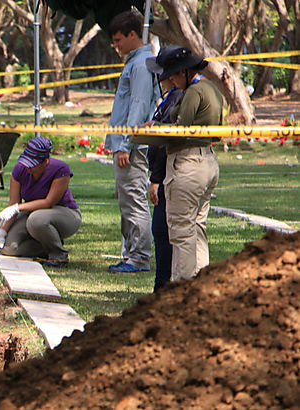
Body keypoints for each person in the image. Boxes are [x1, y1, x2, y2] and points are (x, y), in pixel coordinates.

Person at [154, 46, 222, 282]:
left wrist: (152, 129)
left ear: (184, 71)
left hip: (188, 164)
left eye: (173, 74)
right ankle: (200, 286)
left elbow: (180, 130)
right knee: (197, 228)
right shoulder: (211, 88)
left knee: (181, 232)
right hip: (208, 162)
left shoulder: (193, 92)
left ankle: (180, 291)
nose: (170, 79)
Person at [104, 9, 159, 273]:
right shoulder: (135, 62)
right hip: (125, 144)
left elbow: (137, 106)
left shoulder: (140, 64)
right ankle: (130, 254)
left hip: (132, 148)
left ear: (133, 34)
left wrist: (125, 144)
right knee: (126, 199)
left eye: (118, 40)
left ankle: (139, 257)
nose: (116, 46)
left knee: (134, 200)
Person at [0, 137, 81, 267]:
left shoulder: (61, 170)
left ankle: (58, 255)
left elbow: (48, 202)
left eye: (33, 164)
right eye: (27, 163)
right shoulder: (19, 170)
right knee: (9, 248)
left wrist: (17, 208)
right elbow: (13, 203)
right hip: (32, 214)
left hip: (65, 214)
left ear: (45, 161)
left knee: (36, 220)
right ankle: (45, 246)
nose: (28, 168)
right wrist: (1, 233)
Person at [144, 46, 185, 292]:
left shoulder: (178, 98)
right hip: (163, 172)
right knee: (160, 230)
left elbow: (164, 143)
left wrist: (156, 179)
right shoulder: (168, 99)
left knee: (164, 229)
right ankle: (161, 283)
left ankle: (164, 285)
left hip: (168, 174)